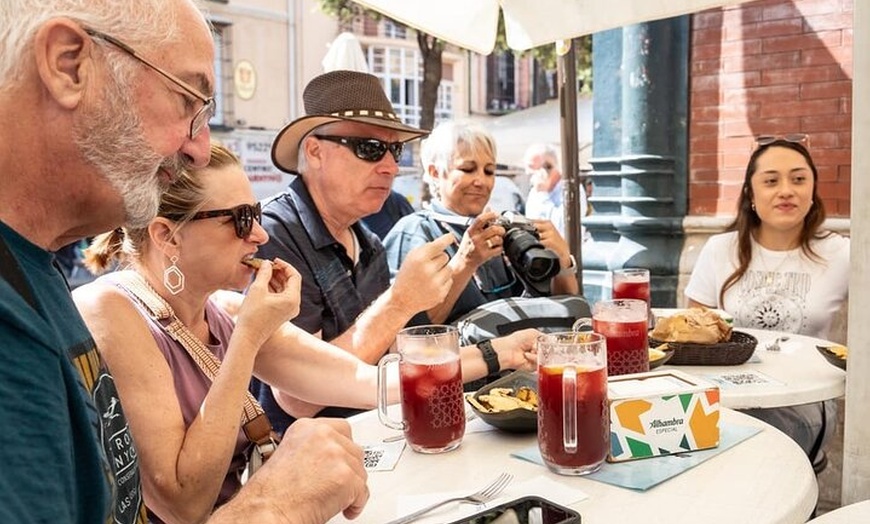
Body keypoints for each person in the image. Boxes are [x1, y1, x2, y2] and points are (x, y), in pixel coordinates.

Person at [0, 2, 367, 522]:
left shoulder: (38, 275)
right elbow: (179, 497)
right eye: (188, 101)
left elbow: (358, 378)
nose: (198, 147)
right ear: (68, 64)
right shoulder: (52, 311)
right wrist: (277, 503)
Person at [74, 142, 411, 522]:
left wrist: (452, 366)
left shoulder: (221, 309)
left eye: (256, 213)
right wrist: (248, 338)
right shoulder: (109, 309)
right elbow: (183, 502)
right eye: (241, 219)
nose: (260, 235)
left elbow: (359, 380)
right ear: (167, 236)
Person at [250, 71, 538, 433]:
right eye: (370, 148)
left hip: (377, 436)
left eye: (394, 150)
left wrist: (503, 351)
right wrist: (400, 301)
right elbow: (298, 397)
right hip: (301, 452)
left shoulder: (368, 243)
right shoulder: (272, 233)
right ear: (315, 151)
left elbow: (392, 361)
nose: (391, 167)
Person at [684, 135, 849, 467]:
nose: (786, 190)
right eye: (771, 181)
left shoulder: (841, 253)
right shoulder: (720, 250)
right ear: (751, 193)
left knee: (747, 448)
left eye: (798, 179)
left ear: (813, 190)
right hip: (727, 398)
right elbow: (692, 337)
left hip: (803, 401)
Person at [383, 121, 580, 326]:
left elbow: (564, 310)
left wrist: (563, 261)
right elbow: (407, 329)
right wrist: (466, 262)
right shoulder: (415, 232)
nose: (481, 181)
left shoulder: (501, 230)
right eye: (468, 169)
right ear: (435, 172)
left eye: (489, 171)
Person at [523, 143, 590, 242]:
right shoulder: (534, 194)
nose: (530, 178)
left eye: (532, 171)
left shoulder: (571, 189)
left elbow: (563, 232)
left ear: (548, 167)